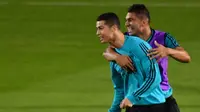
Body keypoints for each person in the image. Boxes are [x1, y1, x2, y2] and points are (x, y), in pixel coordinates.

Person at [103, 4, 191, 112]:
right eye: (126, 20)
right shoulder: (126, 39)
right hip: (137, 100)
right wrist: (117, 57)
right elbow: (108, 51)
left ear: (143, 22)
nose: (126, 24)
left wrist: (167, 51)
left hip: (162, 97)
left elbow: (186, 57)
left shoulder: (163, 37)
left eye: (130, 20)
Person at [96, 12, 165, 112]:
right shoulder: (114, 57)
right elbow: (120, 89)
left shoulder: (139, 46)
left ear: (114, 28)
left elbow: (154, 77)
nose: (97, 33)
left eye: (101, 28)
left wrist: (133, 97)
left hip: (153, 105)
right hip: (132, 106)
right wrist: (114, 110)